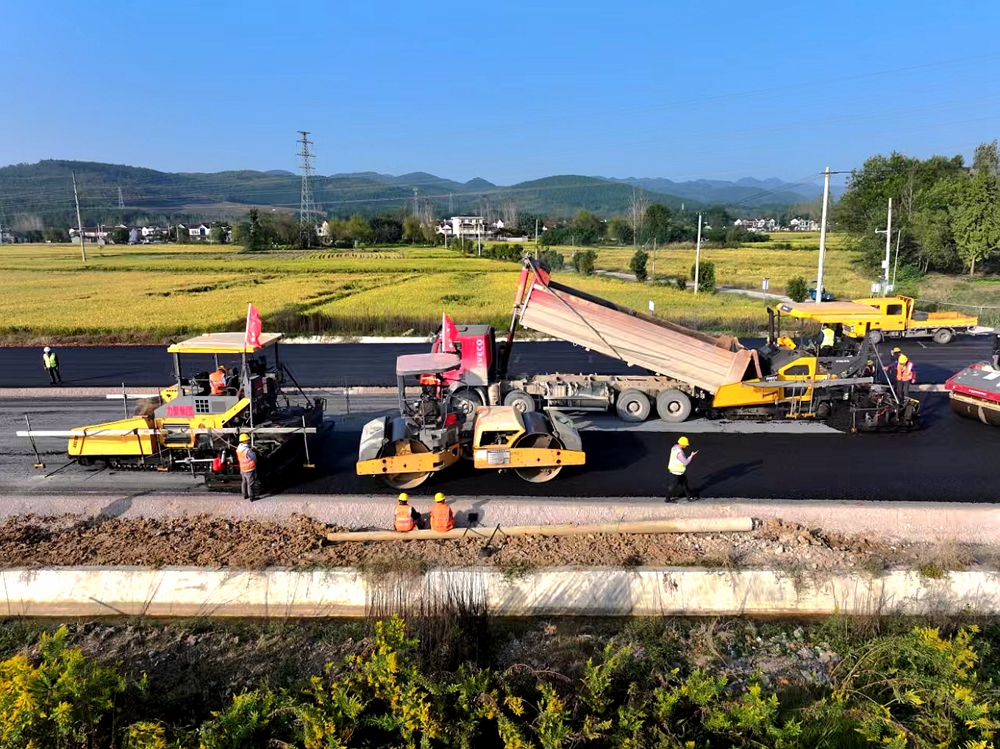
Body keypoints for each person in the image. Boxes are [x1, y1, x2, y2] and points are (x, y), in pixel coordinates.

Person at [666, 436, 698, 501]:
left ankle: (689, 497)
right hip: (677, 472)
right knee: (673, 486)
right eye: (685, 444)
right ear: (682, 444)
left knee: (684, 484)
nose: (686, 446)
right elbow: (686, 462)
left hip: (675, 470)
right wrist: (691, 455)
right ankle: (667, 499)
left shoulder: (674, 448)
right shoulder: (679, 453)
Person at [236, 433, 259, 501]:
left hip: (242, 468)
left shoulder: (238, 448)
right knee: (250, 483)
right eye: (247, 440)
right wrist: (254, 452)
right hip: (249, 469)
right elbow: (253, 457)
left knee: (244, 482)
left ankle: (245, 495)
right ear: (244, 441)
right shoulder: (247, 450)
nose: (248, 441)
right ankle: (252, 497)